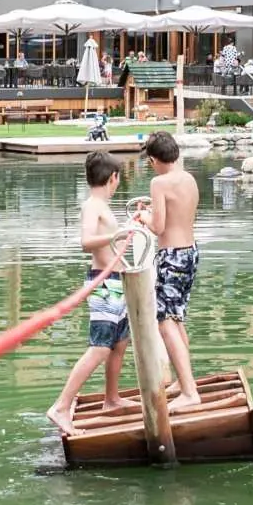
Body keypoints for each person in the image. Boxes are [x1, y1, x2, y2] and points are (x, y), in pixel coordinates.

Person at [47, 152, 133, 433]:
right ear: (113, 178)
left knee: (119, 344)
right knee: (99, 348)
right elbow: (86, 242)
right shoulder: (92, 206)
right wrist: (116, 236)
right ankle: (61, 406)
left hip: (118, 282)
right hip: (104, 284)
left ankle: (112, 399)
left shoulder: (103, 206)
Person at [137, 131, 204, 412]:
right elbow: (177, 215)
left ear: (153, 159)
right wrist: (155, 211)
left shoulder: (159, 182)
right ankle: (183, 382)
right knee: (176, 319)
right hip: (190, 252)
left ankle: (190, 392)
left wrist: (143, 217)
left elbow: (159, 228)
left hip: (172, 257)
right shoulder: (188, 178)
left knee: (165, 321)